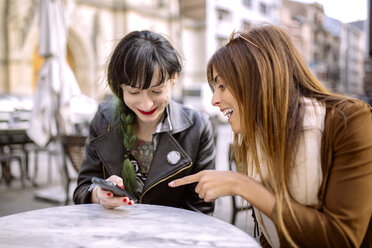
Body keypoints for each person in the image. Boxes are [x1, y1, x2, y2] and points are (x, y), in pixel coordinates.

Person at [169, 24, 372, 247]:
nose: (214, 100)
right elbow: (271, 233)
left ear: (257, 78)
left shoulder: (351, 121)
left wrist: (242, 185)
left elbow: (342, 239)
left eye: (223, 85)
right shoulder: (257, 138)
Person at [73, 30, 216, 214]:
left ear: (173, 78)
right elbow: (82, 189)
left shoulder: (198, 127)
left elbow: (201, 209)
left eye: (156, 91)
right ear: (120, 87)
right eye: (133, 92)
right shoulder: (103, 119)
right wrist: (99, 195)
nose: (146, 104)